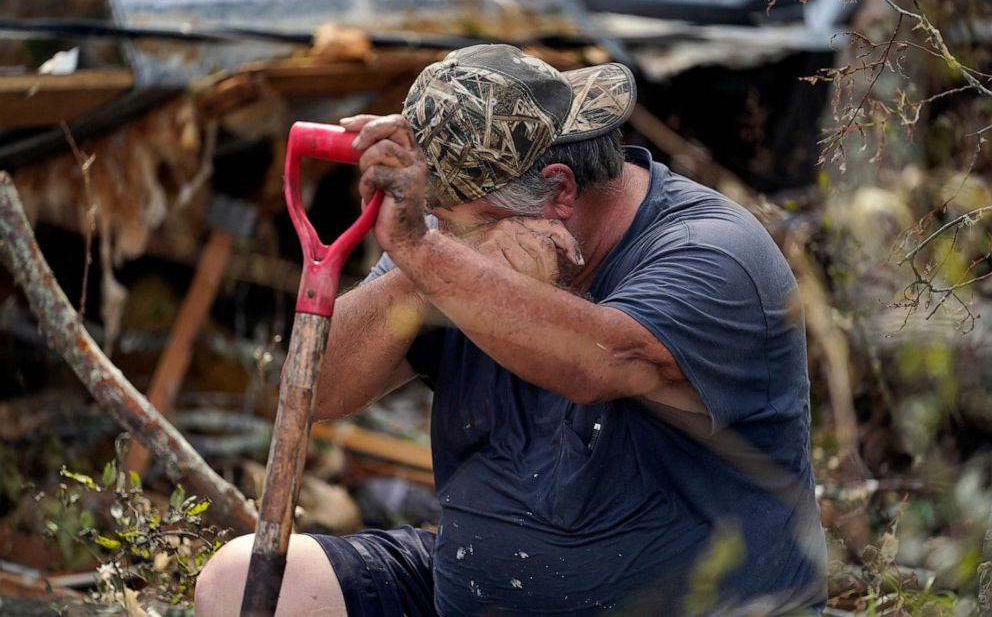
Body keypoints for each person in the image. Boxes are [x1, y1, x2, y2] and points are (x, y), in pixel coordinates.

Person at [196, 44, 827, 615]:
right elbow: (322, 390)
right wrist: (421, 261)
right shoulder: (444, 247)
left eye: (454, 224)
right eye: (433, 222)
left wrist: (430, 253)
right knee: (241, 583)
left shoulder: (713, 252)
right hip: (478, 595)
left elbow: (598, 364)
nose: (442, 242)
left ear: (556, 191)